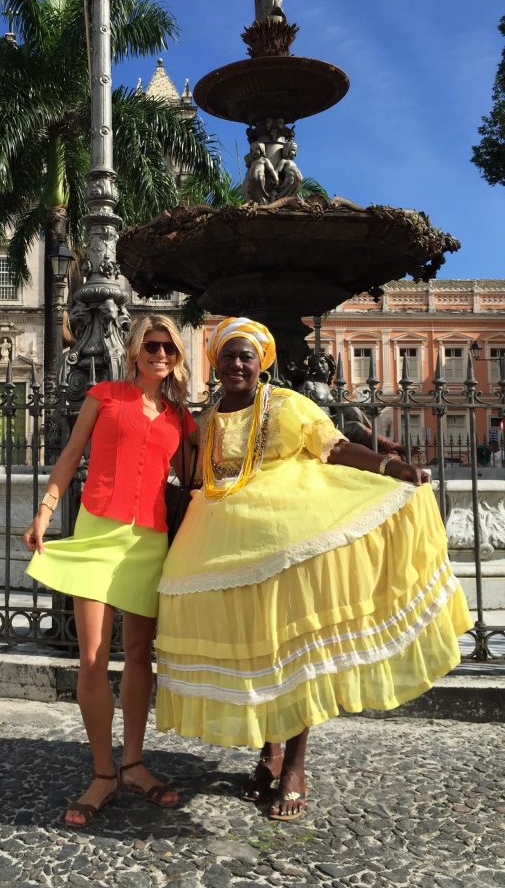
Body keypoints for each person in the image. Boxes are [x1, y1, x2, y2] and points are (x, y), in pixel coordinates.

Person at [156, 317, 472, 821]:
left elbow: (336, 448)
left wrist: (391, 467)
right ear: (214, 362)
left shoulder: (286, 404)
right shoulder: (206, 417)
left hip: (290, 544)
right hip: (221, 549)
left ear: (261, 362)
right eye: (228, 355)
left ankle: (294, 765)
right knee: (253, 650)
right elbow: (192, 475)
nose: (237, 364)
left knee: (295, 654)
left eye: (247, 356)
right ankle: (268, 748)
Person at [24, 313, 196, 829]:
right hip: (98, 530)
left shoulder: (180, 418)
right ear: (136, 348)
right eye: (152, 344)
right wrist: (45, 511)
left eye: (169, 347)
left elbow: (197, 477)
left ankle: (135, 764)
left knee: (140, 654)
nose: (160, 353)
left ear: (177, 357)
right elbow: (70, 454)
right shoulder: (104, 395)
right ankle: (103, 772)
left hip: (150, 537)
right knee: (94, 655)